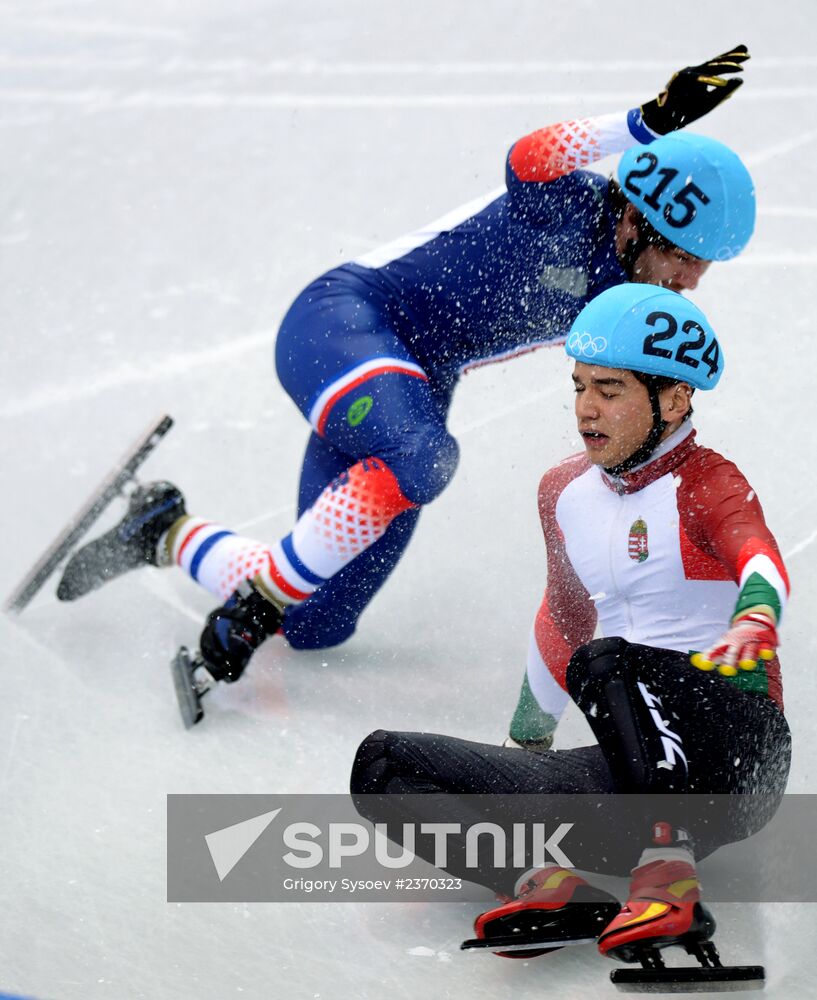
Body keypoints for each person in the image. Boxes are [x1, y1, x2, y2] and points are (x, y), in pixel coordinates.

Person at [57, 48, 756, 700]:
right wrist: (645, 123)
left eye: (704, 264)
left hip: (413, 384)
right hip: (343, 322)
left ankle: (163, 529)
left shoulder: (628, 297)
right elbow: (528, 157)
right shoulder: (568, 209)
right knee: (420, 459)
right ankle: (258, 598)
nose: (692, 279)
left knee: (316, 621)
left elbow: (648, 398)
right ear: (635, 217)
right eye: (684, 256)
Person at [350, 283, 791, 971]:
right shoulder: (565, 492)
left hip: (734, 762)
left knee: (606, 658)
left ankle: (667, 876)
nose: (586, 408)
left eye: (610, 390)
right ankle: (548, 888)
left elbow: (756, 554)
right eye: (580, 385)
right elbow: (562, 616)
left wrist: (756, 613)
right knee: (382, 765)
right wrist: (524, 745)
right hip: (630, 774)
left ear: (673, 400)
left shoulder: (707, 484)